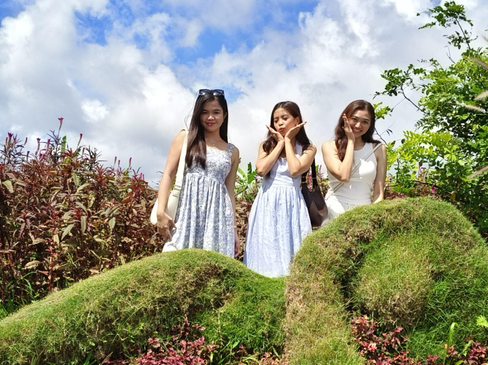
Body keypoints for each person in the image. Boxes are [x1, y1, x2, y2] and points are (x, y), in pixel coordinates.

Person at [157, 89, 240, 257]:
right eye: (205, 112)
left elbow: (229, 191)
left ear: (224, 115)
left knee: (212, 267)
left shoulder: (232, 151)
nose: (210, 117)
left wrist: (234, 229)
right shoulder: (185, 138)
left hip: (217, 218)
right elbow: (168, 174)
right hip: (186, 212)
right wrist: (161, 211)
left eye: (216, 112)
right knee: (174, 259)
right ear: (198, 114)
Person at [243, 101, 316, 277]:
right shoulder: (266, 145)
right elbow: (261, 170)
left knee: (290, 243)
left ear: (297, 120)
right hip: (267, 199)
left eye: (285, 118)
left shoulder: (308, 148)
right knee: (265, 241)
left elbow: (295, 169)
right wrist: (280, 145)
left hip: (291, 200)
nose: (280, 123)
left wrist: (289, 142)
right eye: (276, 120)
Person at [321, 100, 387, 221]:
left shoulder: (378, 149)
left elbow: (379, 192)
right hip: (334, 211)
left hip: (364, 212)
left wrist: (373, 218)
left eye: (365, 122)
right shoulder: (329, 146)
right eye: (354, 119)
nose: (358, 125)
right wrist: (351, 141)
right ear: (345, 118)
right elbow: (344, 176)